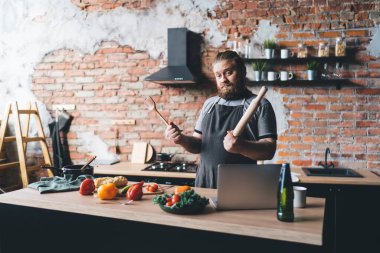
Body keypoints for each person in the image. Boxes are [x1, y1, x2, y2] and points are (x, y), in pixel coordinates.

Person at [165, 50, 277, 188]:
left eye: (229, 73)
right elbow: (198, 144)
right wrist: (181, 139)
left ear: (242, 72)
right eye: (218, 75)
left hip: (240, 187)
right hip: (205, 182)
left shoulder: (260, 105)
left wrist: (242, 146)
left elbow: (269, 150)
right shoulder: (209, 104)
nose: (223, 79)